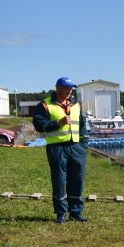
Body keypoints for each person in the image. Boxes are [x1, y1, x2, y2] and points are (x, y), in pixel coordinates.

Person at [33, 76, 89, 223]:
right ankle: (61, 213)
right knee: (59, 179)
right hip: (57, 148)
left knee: (77, 179)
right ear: (58, 88)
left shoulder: (75, 104)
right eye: (67, 88)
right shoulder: (45, 105)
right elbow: (39, 124)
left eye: (71, 88)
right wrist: (58, 123)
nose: (70, 91)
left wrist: (84, 143)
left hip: (76, 147)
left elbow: (82, 125)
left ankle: (76, 212)